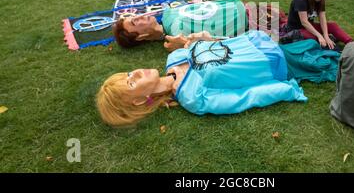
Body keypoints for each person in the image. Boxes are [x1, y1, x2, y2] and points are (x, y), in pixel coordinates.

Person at [97, 30, 307, 127]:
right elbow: (244, 97)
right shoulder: (192, 98)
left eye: (128, 74)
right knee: (320, 50)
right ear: (141, 100)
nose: (135, 72)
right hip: (271, 63)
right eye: (132, 82)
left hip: (254, 40)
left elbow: (217, 45)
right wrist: (286, 90)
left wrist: (204, 37)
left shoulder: (174, 57)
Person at [112, 0, 247, 49]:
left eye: (135, 16)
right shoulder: (177, 37)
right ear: (140, 36)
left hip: (236, 3)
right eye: (135, 22)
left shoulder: (167, 13)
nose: (140, 16)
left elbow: (196, 4)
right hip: (249, 19)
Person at [286, 0, 353, 49]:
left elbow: (322, 18)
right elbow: (304, 22)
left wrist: (326, 36)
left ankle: (351, 43)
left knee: (332, 25)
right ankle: (330, 42)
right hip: (297, 30)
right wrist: (320, 36)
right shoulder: (301, 0)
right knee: (316, 40)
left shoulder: (320, 0)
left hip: (310, 27)